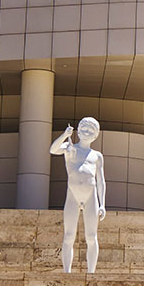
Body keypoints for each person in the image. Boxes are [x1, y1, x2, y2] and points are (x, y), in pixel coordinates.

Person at [50, 117, 106, 273]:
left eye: (90, 131)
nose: (86, 132)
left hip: (91, 195)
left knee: (91, 236)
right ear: (78, 130)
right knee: (68, 236)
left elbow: (101, 181)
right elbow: (53, 150)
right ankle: (67, 272)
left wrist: (102, 204)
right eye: (84, 129)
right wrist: (64, 135)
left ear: (95, 135)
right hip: (73, 195)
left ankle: (91, 273)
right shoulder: (69, 148)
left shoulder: (97, 156)